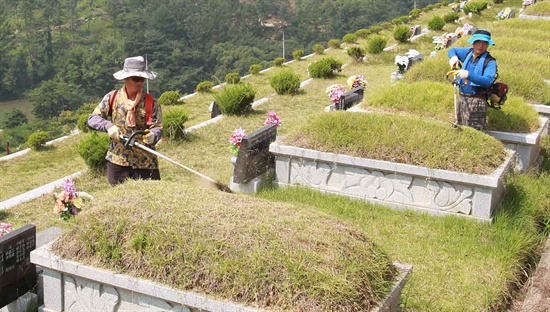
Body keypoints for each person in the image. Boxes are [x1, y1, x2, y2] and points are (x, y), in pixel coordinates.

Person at [88, 56, 163, 186]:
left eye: (142, 79)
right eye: (136, 79)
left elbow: (158, 127)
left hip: (145, 163)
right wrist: (108, 126)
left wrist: (154, 135)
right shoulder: (112, 98)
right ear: (125, 79)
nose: (139, 83)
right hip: (118, 161)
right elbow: (92, 119)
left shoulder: (151, 103)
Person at [448, 29, 497, 131]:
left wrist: (468, 75)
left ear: (488, 45)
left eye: (484, 43)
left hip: (477, 100)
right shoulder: (468, 53)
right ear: (473, 43)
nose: (480, 46)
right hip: (462, 97)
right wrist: (453, 57)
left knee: (474, 130)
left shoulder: (490, 62)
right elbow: (453, 50)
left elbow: (488, 81)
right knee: (460, 127)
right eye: (478, 42)